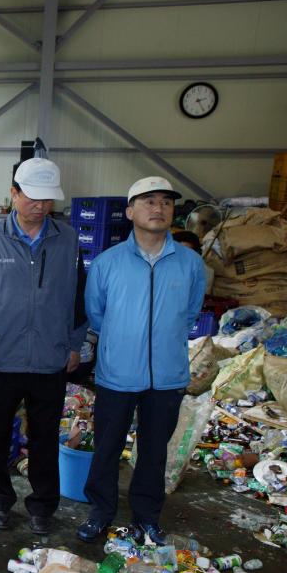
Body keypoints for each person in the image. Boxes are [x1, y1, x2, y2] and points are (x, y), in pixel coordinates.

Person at [78, 177, 205, 546]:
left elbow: (189, 314)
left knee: (153, 452)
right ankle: (100, 512)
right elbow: (96, 315)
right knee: (107, 448)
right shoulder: (107, 263)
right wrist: (124, 343)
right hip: (117, 373)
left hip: (167, 376)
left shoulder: (190, 264)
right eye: (148, 201)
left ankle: (147, 516)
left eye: (166, 202)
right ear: (130, 211)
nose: (158, 208)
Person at [0, 158, 87, 536]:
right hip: (0, 357)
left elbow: (78, 298)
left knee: (45, 437)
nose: (41, 205)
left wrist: (74, 345)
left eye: (48, 199)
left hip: (50, 358)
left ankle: (42, 506)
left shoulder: (67, 239)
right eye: (33, 197)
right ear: (14, 193)